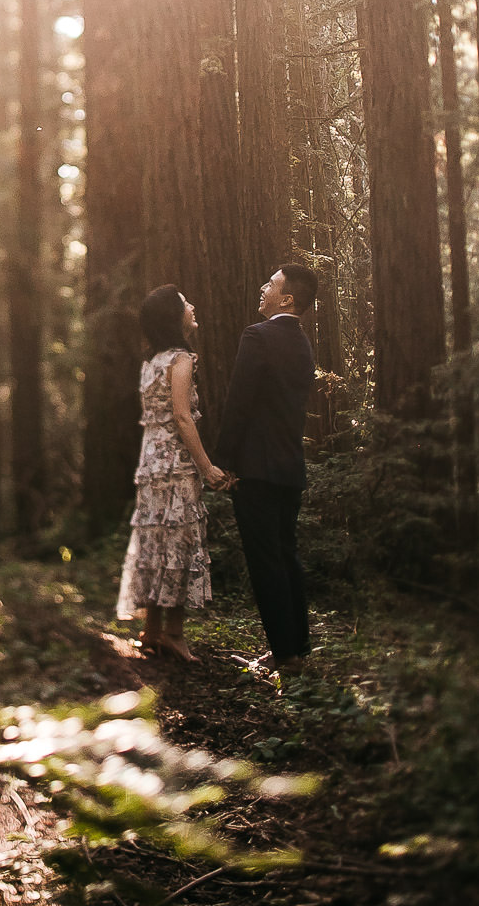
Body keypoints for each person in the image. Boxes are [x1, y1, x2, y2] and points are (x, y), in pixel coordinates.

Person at [116, 284, 229, 662]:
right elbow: (182, 416)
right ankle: (174, 634)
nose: (192, 305)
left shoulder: (150, 362)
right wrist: (207, 466)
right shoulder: (181, 359)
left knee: (155, 542)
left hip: (151, 462)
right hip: (175, 462)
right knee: (179, 541)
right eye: (185, 303)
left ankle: (152, 630)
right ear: (173, 317)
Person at [216, 262, 318, 672]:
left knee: (265, 561)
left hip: (256, 468)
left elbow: (238, 405)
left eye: (271, 284)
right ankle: (298, 646)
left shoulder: (257, 337)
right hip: (290, 467)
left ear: (287, 298)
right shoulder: (303, 344)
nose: (263, 287)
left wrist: (222, 463)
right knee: (286, 554)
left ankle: (284, 654)